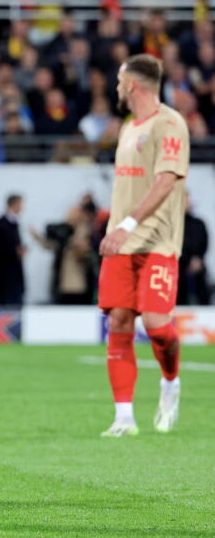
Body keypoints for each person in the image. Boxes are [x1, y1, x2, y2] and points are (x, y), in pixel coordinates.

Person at [98, 54, 189, 438]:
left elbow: (167, 179)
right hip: (122, 244)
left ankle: (170, 381)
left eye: (120, 80)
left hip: (157, 242)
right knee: (118, 322)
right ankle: (124, 417)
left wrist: (128, 224)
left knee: (156, 325)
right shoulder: (127, 128)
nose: (117, 87)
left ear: (132, 84)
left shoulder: (170, 123)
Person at [0, 194, 25, 306]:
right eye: (21, 204)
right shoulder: (0, 224)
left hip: (14, 274)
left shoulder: (14, 223)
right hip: (3, 275)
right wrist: (13, 251)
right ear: (14, 204)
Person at [178, 196, 209, 305]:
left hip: (197, 265)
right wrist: (187, 261)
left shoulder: (198, 223)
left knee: (203, 291)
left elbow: (204, 243)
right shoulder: (175, 224)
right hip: (180, 265)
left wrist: (198, 259)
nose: (189, 202)